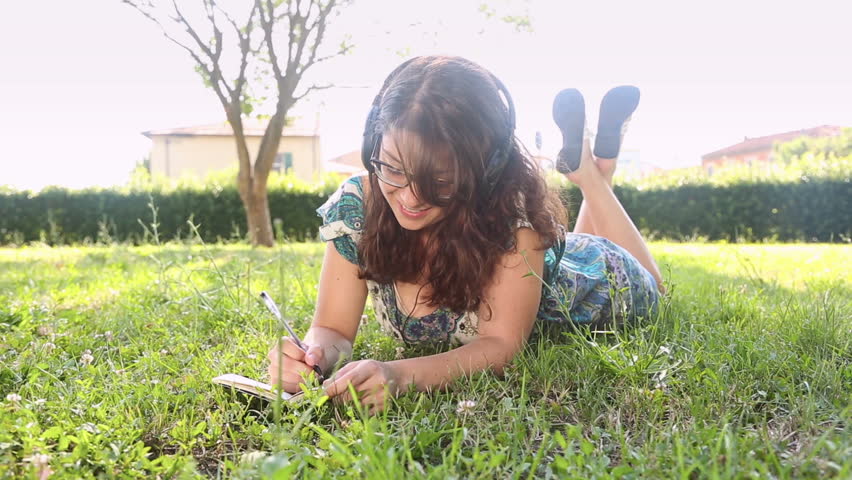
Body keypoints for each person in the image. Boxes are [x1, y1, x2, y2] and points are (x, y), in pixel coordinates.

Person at [268, 55, 664, 413]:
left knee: (659, 288)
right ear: (373, 144)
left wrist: (400, 375)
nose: (410, 197)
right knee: (576, 239)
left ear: (486, 170)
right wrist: (314, 352)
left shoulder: (515, 223)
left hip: (604, 276)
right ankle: (594, 167)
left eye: (439, 181)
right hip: (553, 257)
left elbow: (501, 346)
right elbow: (333, 329)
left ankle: (591, 175)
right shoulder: (358, 205)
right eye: (392, 167)